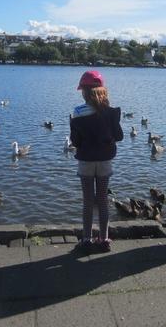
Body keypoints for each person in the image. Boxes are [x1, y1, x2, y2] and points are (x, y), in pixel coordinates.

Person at [69, 70, 123, 252]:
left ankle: (86, 239)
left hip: (85, 161)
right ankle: (104, 238)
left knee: (87, 200)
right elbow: (120, 136)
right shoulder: (111, 112)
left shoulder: (77, 113)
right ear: (103, 91)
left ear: (84, 93)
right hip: (105, 161)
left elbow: (75, 141)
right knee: (102, 199)